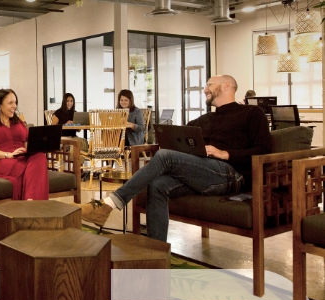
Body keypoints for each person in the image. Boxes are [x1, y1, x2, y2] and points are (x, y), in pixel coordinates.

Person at [80, 75, 272, 242]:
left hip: (231, 174)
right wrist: (171, 142)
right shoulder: (206, 119)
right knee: (158, 185)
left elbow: (264, 149)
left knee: (164, 157)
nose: (205, 89)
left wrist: (226, 153)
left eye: (209, 84)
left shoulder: (252, 113)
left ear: (226, 86)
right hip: (204, 174)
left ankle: (109, 204)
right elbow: (182, 135)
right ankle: (157, 251)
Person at [0, 89, 49, 200]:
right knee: (32, 169)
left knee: (40, 157)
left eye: (15, 102)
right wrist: (8, 154)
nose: (14, 106)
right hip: (3, 160)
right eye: (10, 103)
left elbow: (27, 144)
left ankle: (30, 202)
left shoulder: (19, 123)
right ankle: (32, 204)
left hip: (22, 157)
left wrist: (38, 147)